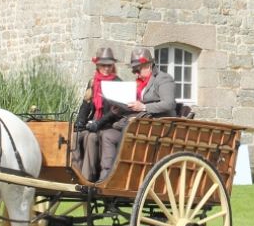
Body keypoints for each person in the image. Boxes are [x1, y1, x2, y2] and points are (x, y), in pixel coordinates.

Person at [97, 46, 178, 177]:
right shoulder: (139, 83)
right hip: (139, 122)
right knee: (108, 135)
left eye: (137, 69)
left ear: (148, 65)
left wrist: (144, 107)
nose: (135, 73)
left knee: (128, 130)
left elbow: (169, 103)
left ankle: (119, 174)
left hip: (158, 126)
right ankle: (105, 175)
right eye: (134, 70)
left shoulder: (163, 79)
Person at [71, 46, 122, 180]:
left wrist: (98, 123)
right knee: (74, 136)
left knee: (91, 138)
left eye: (109, 65)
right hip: (93, 123)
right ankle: (74, 173)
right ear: (98, 65)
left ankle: (88, 177)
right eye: (103, 65)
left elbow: (115, 112)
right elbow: (86, 104)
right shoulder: (93, 82)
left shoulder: (117, 83)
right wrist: (80, 121)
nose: (106, 68)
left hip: (109, 124)